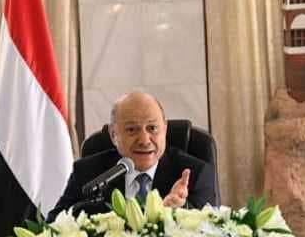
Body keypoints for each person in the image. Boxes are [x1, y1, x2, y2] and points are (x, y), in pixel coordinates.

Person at [49, 91, 217, 219]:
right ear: (113, 134)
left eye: (152, 128)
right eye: (132, 129)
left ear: (165, 130)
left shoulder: (195, 173)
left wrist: (177, 209)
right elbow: (54, 223)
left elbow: (209, 229)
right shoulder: (88, 172)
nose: (144, 140)